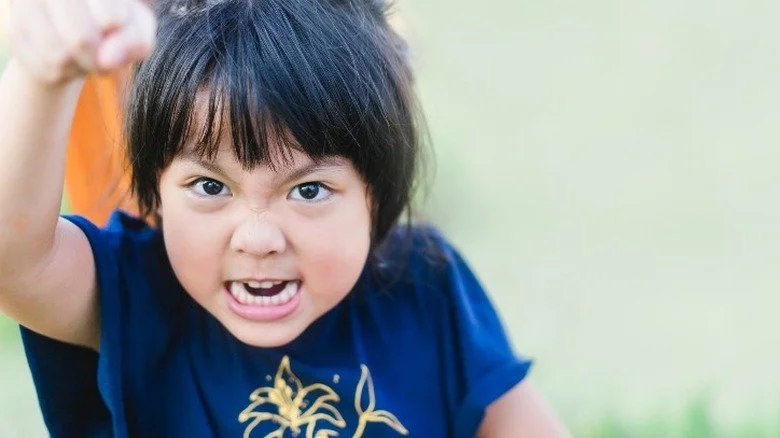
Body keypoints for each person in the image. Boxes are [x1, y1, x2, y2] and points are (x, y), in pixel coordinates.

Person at [0, 0, 568, 436]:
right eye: (209, 186)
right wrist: (41, 75)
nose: (258, 237)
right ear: (153, 193)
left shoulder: (426, 285)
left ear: (376, 193)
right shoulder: (134, 299)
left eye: (310, 189)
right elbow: (14, 261)